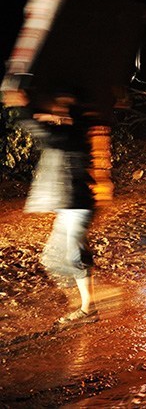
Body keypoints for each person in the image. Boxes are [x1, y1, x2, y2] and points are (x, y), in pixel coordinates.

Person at [6, 90, 98, 326]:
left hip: (78, 206)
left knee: (73, 256)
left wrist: (24, 109)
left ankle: (88, 308)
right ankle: (87, 299)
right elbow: (50, 132)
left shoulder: (70, 136)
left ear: (70, 116)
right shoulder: (74, 132)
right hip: (70, 206)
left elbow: (46, 136)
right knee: (52, 259)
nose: (56, 113)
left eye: (61, 110)